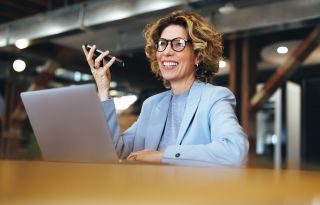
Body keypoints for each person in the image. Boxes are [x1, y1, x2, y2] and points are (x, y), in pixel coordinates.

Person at [82, 10, 249, 167]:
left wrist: (162, 155)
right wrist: (103, 89)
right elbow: (116, 151)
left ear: (198, 55)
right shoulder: (152, 105)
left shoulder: (215, 97)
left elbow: (234, 151)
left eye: (178, 44)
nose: (166, 52)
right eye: (162, 44)